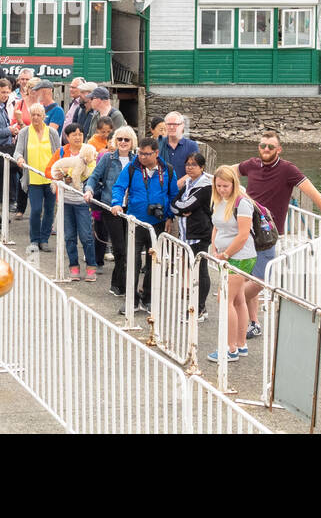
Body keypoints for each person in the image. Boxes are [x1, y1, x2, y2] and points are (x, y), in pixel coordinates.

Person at [237, 128, 321, 239]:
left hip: (269, 234)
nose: (266, 149)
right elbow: (226, 174)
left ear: (279, 150)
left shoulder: (288, 169)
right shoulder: (251, 164)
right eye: (263, 146)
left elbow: (314, 194)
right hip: (245, 227)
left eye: (270, 147)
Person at [109, 136, 177, 312]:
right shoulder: (132, 168)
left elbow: (174, 195)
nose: (142, 157)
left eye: (146, 154)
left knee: (153, 262)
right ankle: (131, 300)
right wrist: (116, 202)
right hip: (135, 222)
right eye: (140, 153)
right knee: (132, 262)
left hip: (159, 223)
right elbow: (118, 186)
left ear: (156, 153)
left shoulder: (168, 170)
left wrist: (169, 216)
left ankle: (148, 298)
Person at [207, 165, 260, 361]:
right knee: (237, 299)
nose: (221, 189)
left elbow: (243, 234)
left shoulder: (242, 203)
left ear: (234, 184)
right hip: (226, 254)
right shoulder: (219, 200)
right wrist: (215, 247)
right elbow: (217, 227)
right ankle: (240, 344)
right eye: (218, 186)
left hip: (240, 257)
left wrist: (227, 253)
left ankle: (230, 348)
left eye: (225, 186)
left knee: (225, 299)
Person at [84, 126, 136, 295]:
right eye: (119, 139)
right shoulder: (107, 158)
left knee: (129, 248)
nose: (122, 142)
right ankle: (119, 285)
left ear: (132, 142)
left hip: (131, 209)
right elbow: (94, 177)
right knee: (119, 247)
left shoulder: (136, 161)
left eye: (126, 140)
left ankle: (122, 283)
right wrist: (89, 189)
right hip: (111, 207)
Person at [49, 124, 99, 281]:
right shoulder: (62, 152)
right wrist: (62, 176)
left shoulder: (88, 151)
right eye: (74, 134)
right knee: (69, 236)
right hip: (65, 200)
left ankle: (91, 267)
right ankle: (73, 267)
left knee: (86, 236)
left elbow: (93, 173)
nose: (77, 137)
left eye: (80, 134)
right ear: (67, 137)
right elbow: (50, 170)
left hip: (82, 201)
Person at [172, 152, 213, 320]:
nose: (189, 167)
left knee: (201, 271)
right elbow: (174, 204)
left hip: (199, 234)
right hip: (186, 234)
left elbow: (187, 204)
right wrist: (180, 210)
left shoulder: (205, 187)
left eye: (194, 165)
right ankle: (197, 306)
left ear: (202, 167)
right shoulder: (188, 183)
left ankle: (200, 308)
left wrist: (180, 208)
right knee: (192, 270)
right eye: (187, 164)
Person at [14, 102, 58, 253]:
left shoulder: (52, 132)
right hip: (33, 178)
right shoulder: (24, 132)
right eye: (33, 115)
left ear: (44, 117)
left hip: (50, 178)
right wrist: (20, 159)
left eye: (39, 115)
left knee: (50, 210)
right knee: (35, 209)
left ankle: (44, 239)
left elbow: (59, 154)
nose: (36, 118)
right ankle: (34, 240)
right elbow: (17, 151)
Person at [0, 78, 20, 215]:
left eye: (7, 92)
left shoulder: (0, 106)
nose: (5, 95)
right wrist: (9, 131)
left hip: (2, 149)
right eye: (2, 92)